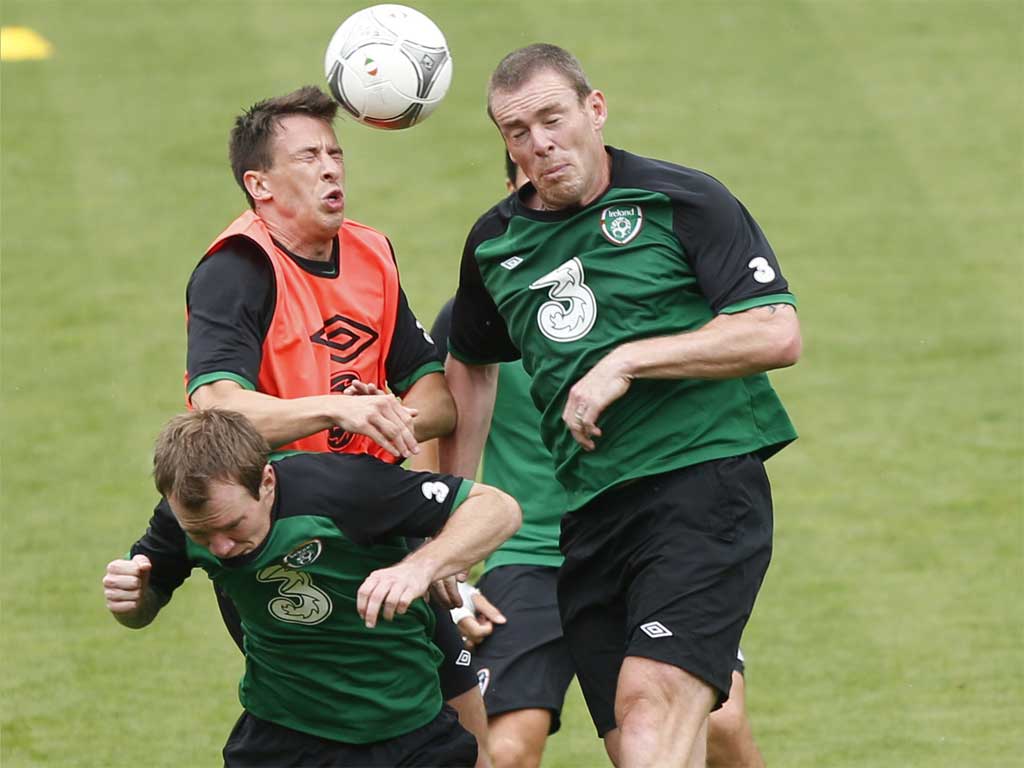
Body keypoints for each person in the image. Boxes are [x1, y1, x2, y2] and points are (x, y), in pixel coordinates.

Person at [440, 44, 800, 768]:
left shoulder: (683, 199)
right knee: (649, 746)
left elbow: (776, 331)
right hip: (591, 523)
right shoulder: (495, 244)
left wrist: (629, 360)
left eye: (552, 118)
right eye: (518, 132)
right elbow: (470, 367)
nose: (540, 143)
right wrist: (454, 516)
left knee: (648, 716)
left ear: (594, 110)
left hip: (703, 488)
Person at [182, 85, 490, 760]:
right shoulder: (238, 269)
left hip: (373, 516)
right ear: (259, 185)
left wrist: (380, 415)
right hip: (284, 533)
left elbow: (438, 400)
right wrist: (336, 408)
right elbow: (216, 403)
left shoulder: (371, 255)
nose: (331, 169)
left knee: (464, 716)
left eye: (335, 153)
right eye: (308, 157)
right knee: (362, 730)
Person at [102, 409, 520, 767]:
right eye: (202, 535)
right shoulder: (182, 518)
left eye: (232, 526)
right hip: (283, 734)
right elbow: (142, 606)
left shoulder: (343, 489)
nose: (221, 548)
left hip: (403, 730)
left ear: (266, 482)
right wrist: (132, 601)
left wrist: (421, 567)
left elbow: (496, 507)